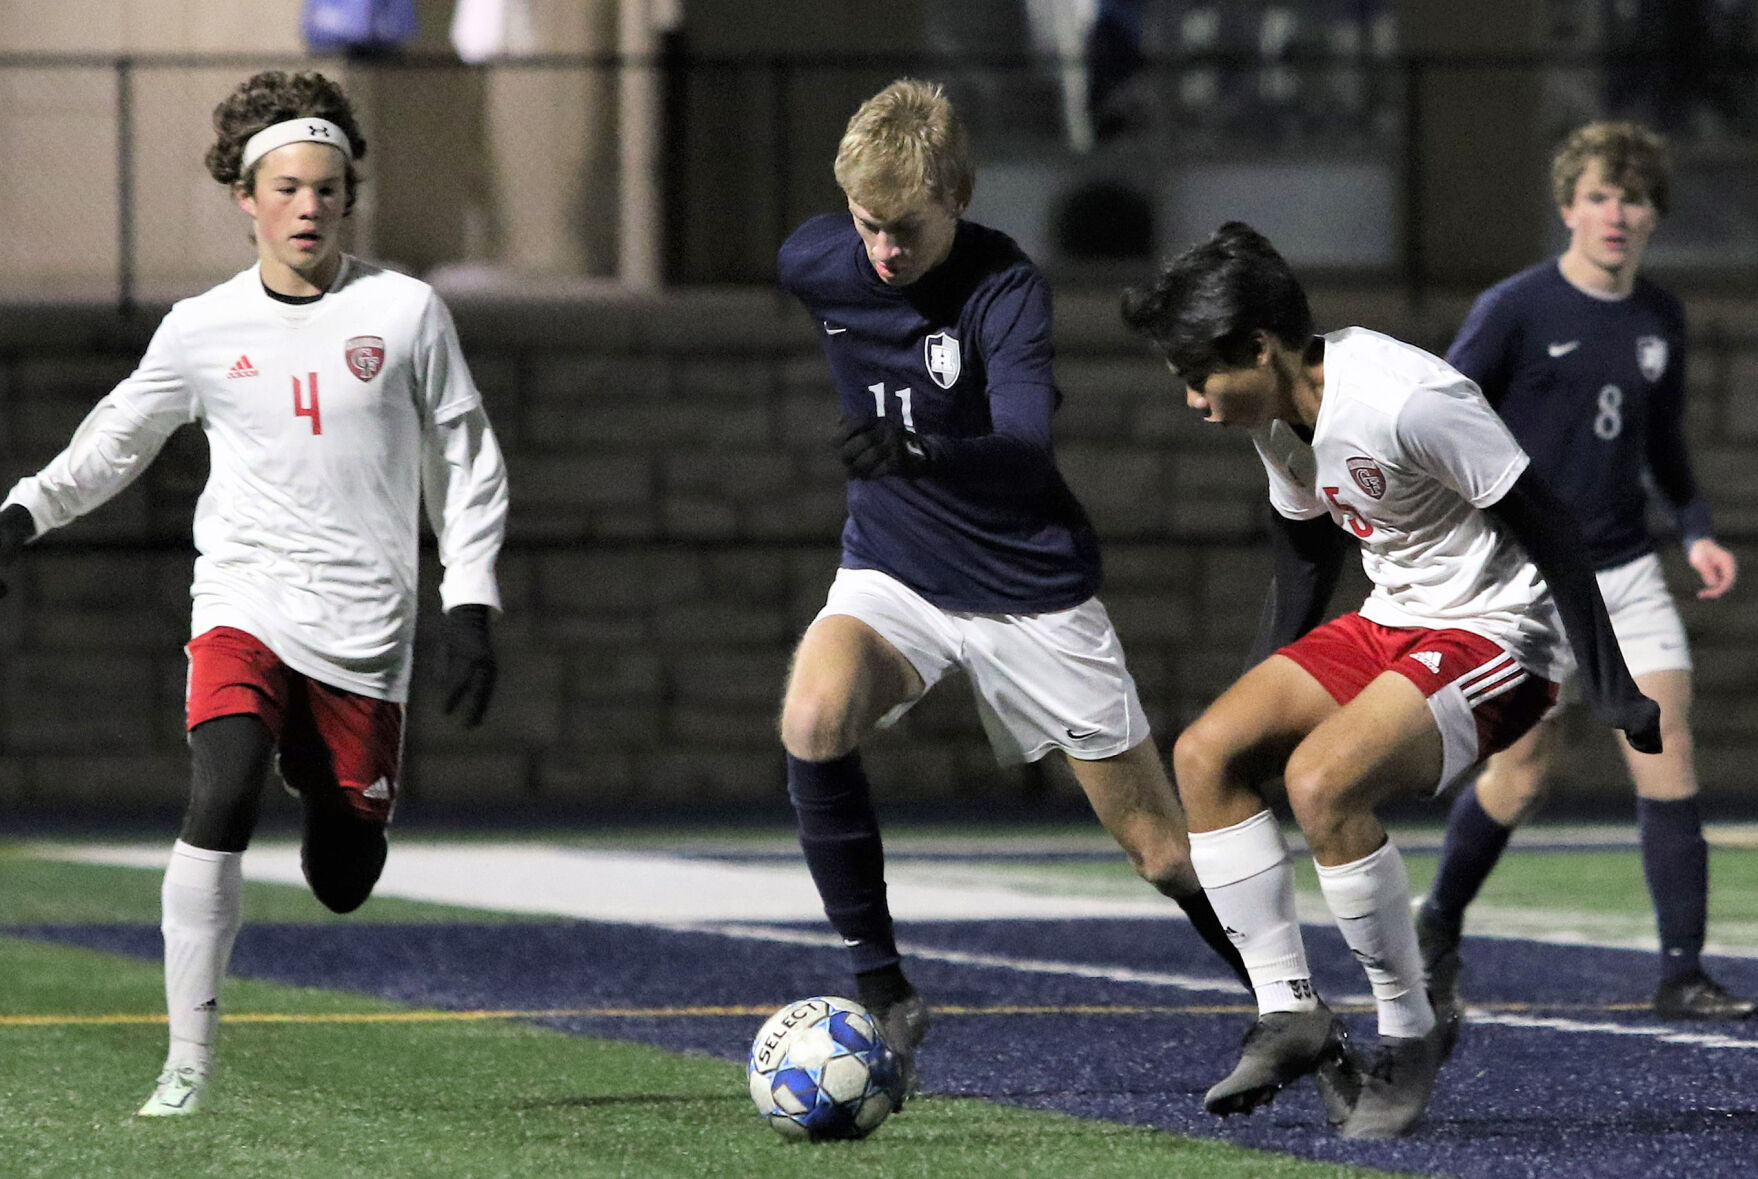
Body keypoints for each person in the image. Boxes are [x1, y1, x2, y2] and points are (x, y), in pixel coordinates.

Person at [0, 70, 510, 1116]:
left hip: (367, 627)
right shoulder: (201, 329)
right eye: (286, 188)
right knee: (221, 785)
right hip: (245, 597)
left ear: (347, 197)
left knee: (343, 877)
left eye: (327, 188)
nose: (309, 207)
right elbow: (114, 442)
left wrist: (472, 602)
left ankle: (326, 777)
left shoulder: (405, 311)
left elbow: (465, 463)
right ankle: (185, 1065)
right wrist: (21, 514)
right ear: (245, 196)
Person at [1120, 221, 1660, 1138]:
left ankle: (1409, 1033)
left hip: (1499, 632)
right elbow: (1302, 560)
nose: (1193, 400)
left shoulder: (1407, 399)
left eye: (1199, 376)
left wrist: (1610, 685)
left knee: (1323, 781)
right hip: (1394, 620)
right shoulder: (1280, 412)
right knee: (1206, 753)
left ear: (1261, 346)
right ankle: (1292, 1009)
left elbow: (1552, 521)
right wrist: (1264, 694)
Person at [774, 78, 1252, 1100]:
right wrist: (901, 463)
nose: (885, 253)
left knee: (1163, 854)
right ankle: (887, 991)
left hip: (1029, 592)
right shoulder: (819, 263)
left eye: (906, 229)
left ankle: (1295, 1011)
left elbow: (1028, 452)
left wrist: (919, 445)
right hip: (895, 573)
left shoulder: (1007, 288)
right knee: (813, 717)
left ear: (962, 194)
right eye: (869, 228)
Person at [1414, 121, 1751, 1021]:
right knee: (1521, 771)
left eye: (1634, 198)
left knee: (1666, 740)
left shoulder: (1661, 318)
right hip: (1524, 576)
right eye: (1600, 194)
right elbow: (1438, 411)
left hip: (1627, 569)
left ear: (1653, 217)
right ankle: (1438, 919)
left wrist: (1698, 529)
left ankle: (1683, 969)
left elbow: (1664, 444)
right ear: (1568, 206)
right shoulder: (1516, 307)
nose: (1617, 212)